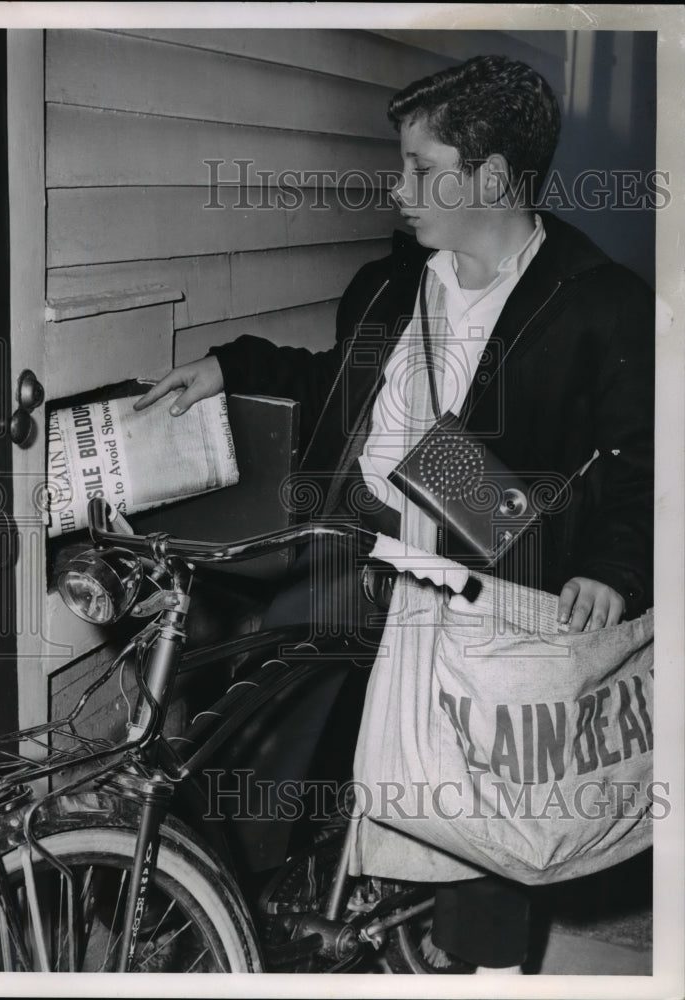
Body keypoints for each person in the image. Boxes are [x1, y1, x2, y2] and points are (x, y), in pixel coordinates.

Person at [135, 55, 654, 973]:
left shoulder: (601, 307)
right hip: (361, 549)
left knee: (478, 795)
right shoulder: (388, 285)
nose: (397, 187)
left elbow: (645, 459)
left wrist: (615, 571)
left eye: (419, 168)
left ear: (492, 178)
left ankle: (473, 963)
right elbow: (332, 381)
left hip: (486, 592)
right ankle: (234, 912)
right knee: (262, 717)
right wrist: (231, 367)